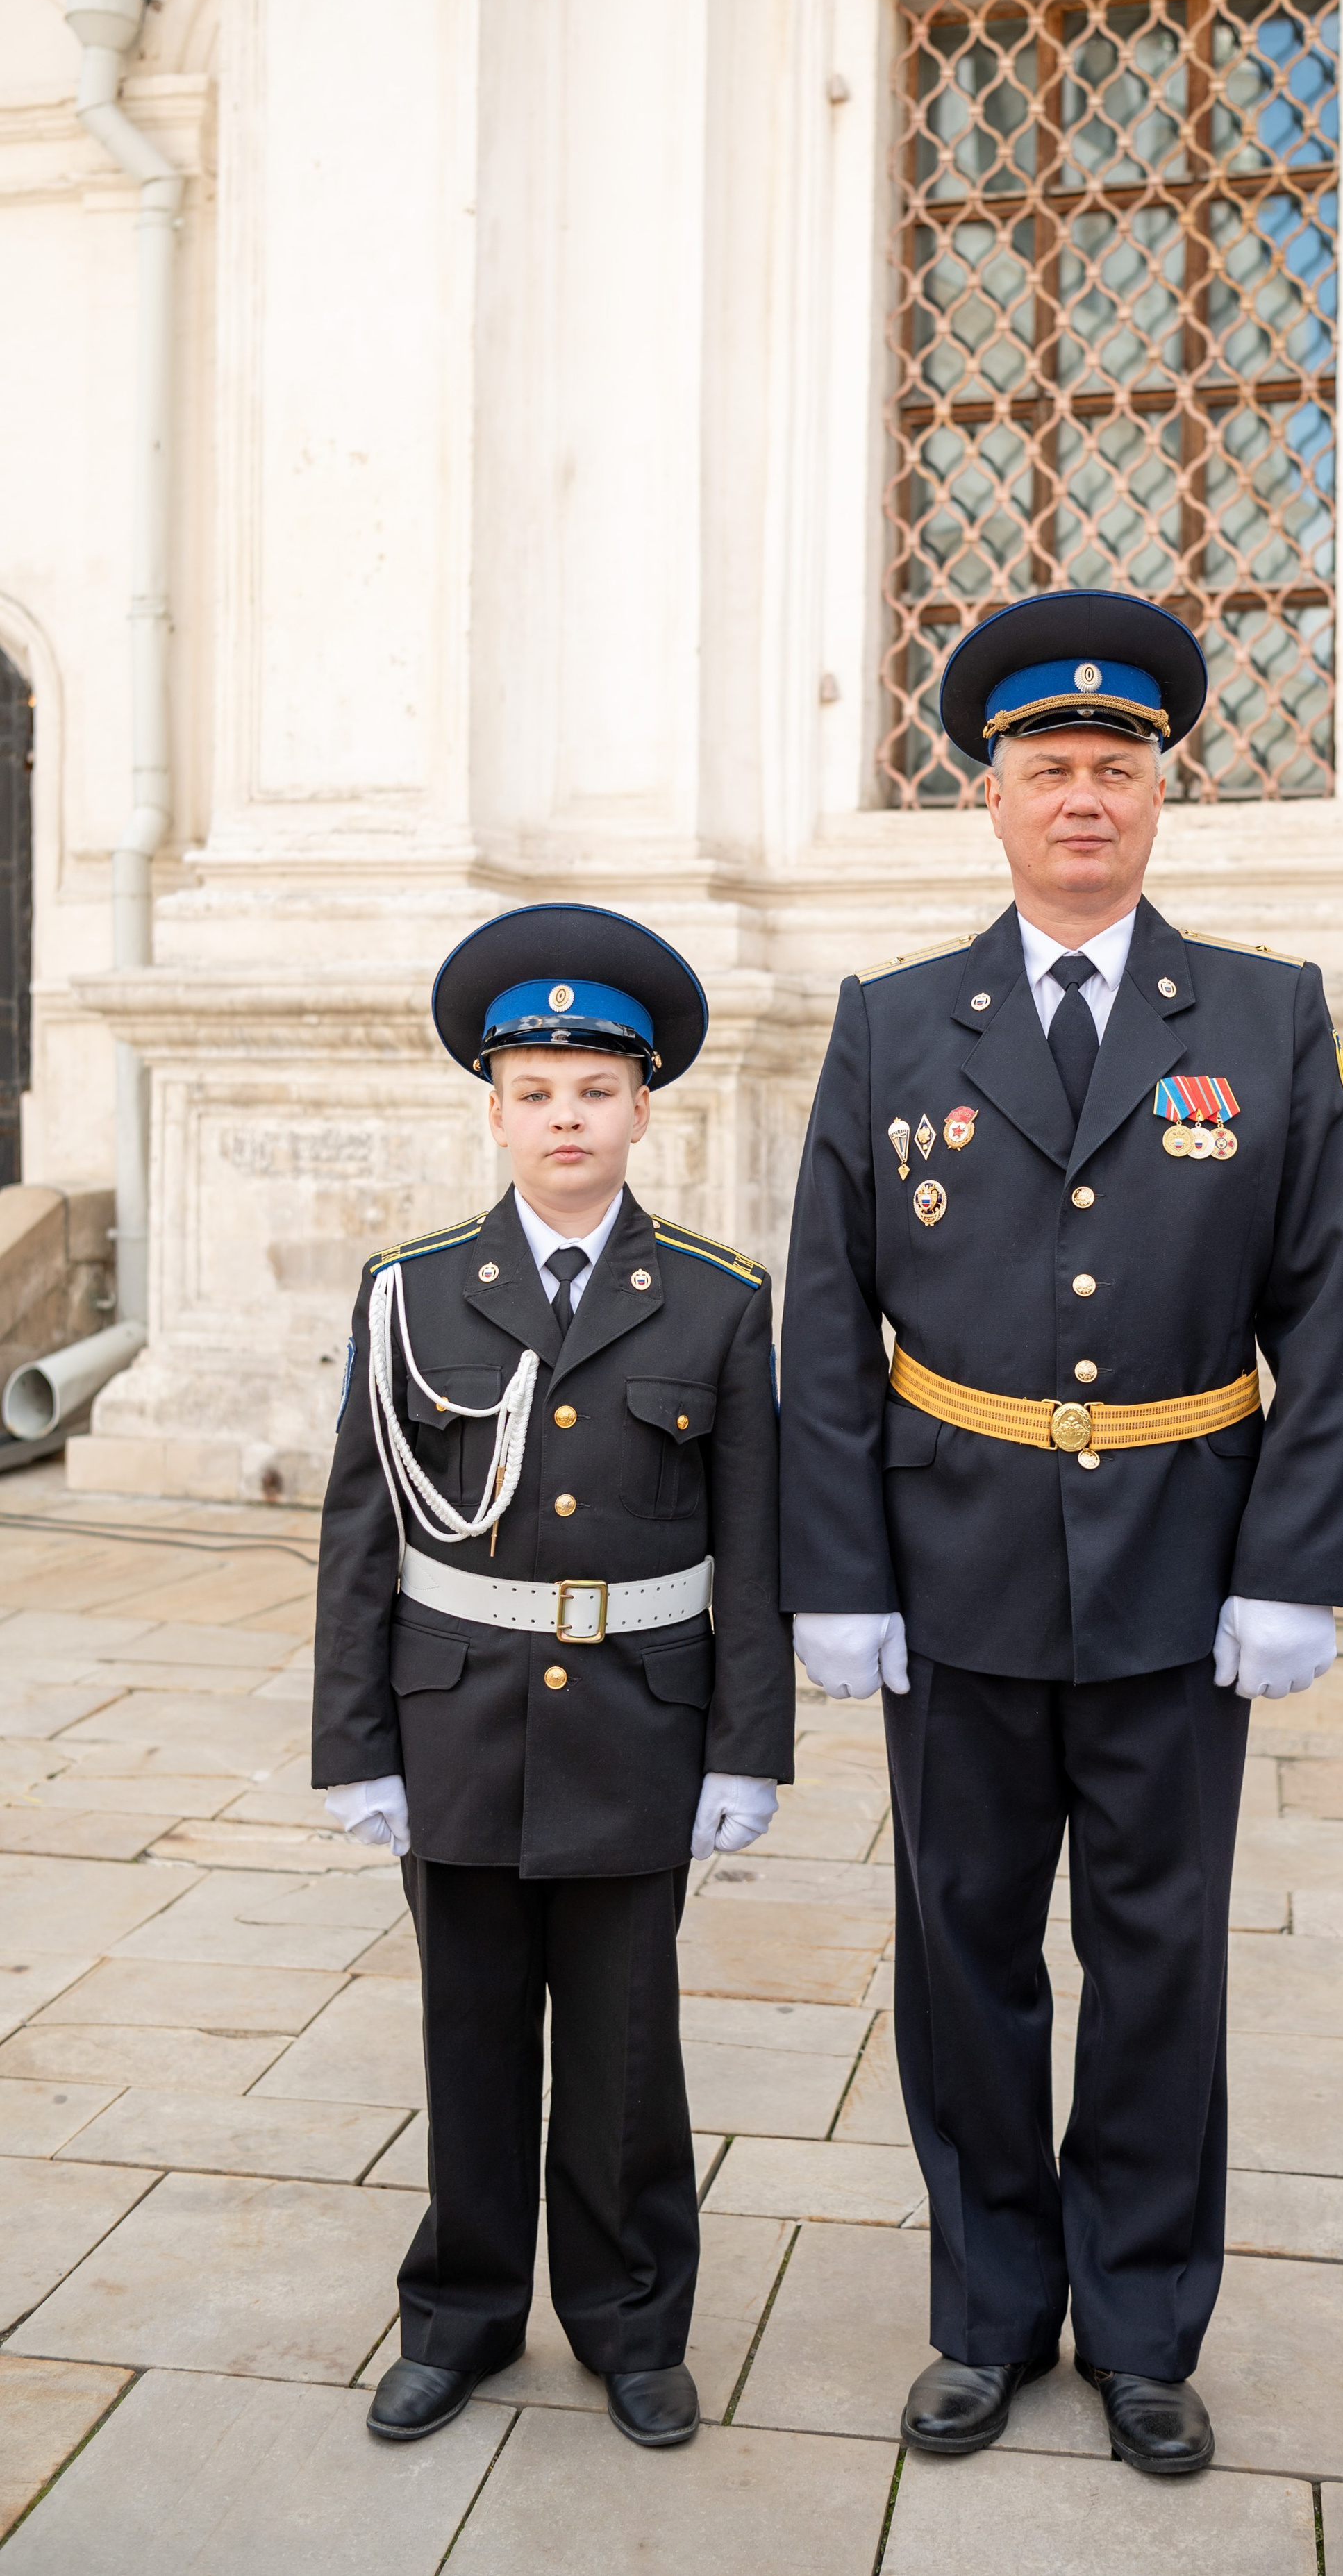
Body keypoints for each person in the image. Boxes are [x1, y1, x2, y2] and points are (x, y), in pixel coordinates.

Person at [779, 589, 1343, 2475]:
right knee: (962, 1951)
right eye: (1049, 768)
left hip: (1185, 1578)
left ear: (1159, 795)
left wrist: (1298, 1560)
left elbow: (1335, 1312)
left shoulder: (1267, 1019)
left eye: (1118, 767)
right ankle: (987, 2311)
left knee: (1159, 1956)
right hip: (951, 1575)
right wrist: (839, 1572)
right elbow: (826, 1321)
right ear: (994, 800)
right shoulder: (893, 1029)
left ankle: (1138, 2320)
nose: (1085, 799)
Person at [312, 903, 793, 2450]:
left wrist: (746, 1748)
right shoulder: (412, 1291)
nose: (565, 1117)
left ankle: (630, 2321)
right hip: (457, 1717)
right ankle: (457, 2315)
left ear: (643, 1107)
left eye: (594, 1089)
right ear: (495, 1108)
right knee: (464, 2036)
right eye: (535, 1090)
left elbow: (755, 1540)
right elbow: (359, 1535)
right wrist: (355, 1747)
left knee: (623, 2049)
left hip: (642, 1728)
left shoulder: (716, 1299)